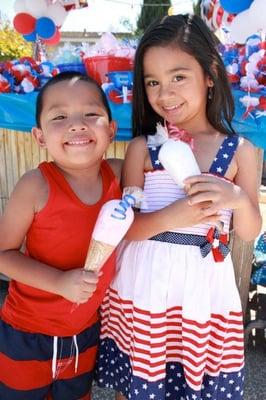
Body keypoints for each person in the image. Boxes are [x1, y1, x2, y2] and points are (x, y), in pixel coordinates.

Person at [96, 14, 262, 400]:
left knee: (196, 383)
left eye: (178, 77)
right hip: (146, 286)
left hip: (203, 290)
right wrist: (177, 215)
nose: (164, 93)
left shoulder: (240, 152)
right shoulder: (142, 149)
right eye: (152, 82)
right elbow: (127, 226)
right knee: (141, 384)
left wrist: (235, 198)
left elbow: (250, 231)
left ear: (210, 75)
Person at [0, 71, 122, 399]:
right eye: (60, 116)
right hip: (26, 332)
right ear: (39, 136)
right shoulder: (35, 185)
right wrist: (58, 283)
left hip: (84, 332)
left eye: (91, 114)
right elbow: (3, 255)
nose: (77, 124)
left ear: (111, 130)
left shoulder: (120, 173)